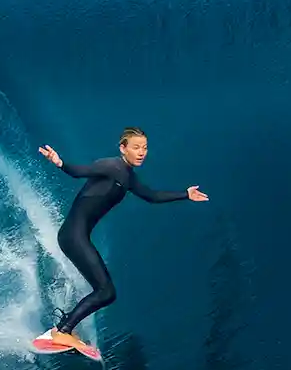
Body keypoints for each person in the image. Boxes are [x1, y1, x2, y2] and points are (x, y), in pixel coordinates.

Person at [32, 126, 208, 357]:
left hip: (76, 236)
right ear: (123, 148)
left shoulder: (128, 177)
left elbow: (152, 197)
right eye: (136, 147)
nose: (142, 152)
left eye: (145, 148)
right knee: (106, 291)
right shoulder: (111, 166)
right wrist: (59, 162)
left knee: (106, 291)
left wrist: (185, 194)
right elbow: (80, 172)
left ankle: (63, 329)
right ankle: (62, 330)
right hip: (73, 237)